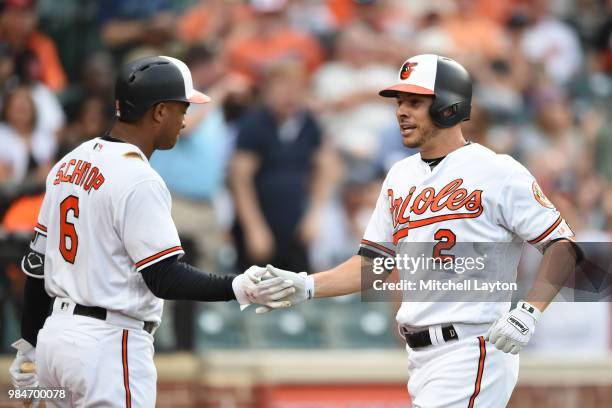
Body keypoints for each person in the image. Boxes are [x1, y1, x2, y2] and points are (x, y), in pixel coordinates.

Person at [255, 54, 581, 407]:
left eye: (415, 102)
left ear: (448, 106)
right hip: (421, 358)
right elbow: (373, 265)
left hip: (472, 348)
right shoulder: (400, 175)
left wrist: (528, 313)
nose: (401, 111)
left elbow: (563, 246)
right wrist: (307, 285)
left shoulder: (498, 171)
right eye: (399, 102)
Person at [7, 55, 295, 407]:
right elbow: (164, 276)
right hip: (109, 345)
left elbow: (37, 265)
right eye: (181, 108)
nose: (185, 119)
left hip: (55, 340)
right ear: (158, 111)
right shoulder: (139, 178)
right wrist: (237, 287)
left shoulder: (70, 162)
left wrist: (29, 345)